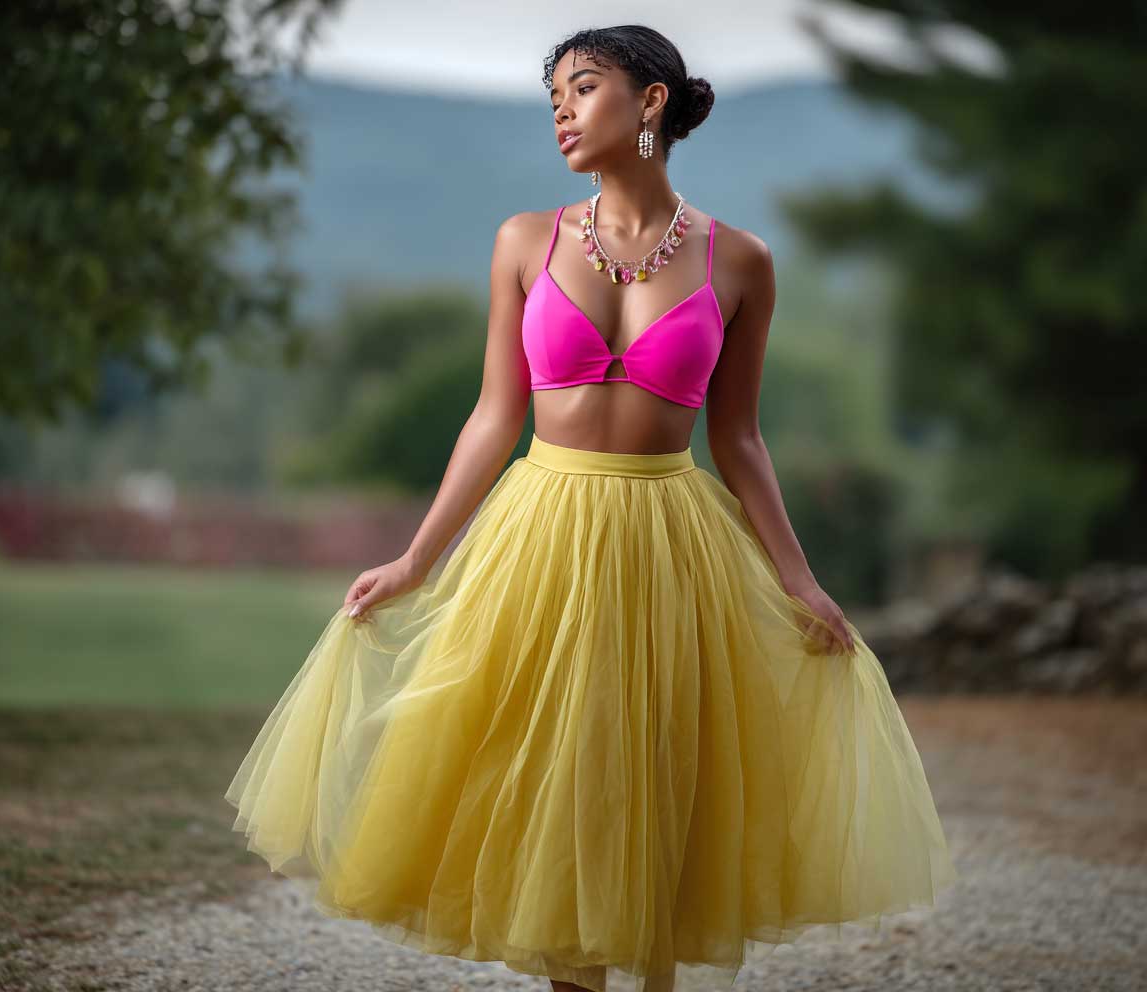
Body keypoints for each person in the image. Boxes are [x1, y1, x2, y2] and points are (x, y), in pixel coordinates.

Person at [225, 24, 959, 992]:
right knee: (555, 790)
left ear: (650, 103)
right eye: (554, 97)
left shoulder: (739, 262)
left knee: (654, 792)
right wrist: (416, 559)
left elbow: (738, 438)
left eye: (583, 88)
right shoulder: (526, 241)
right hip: (541, 536)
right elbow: (495, 417)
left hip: (669, 542)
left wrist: (798, 577)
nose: (562, 111)